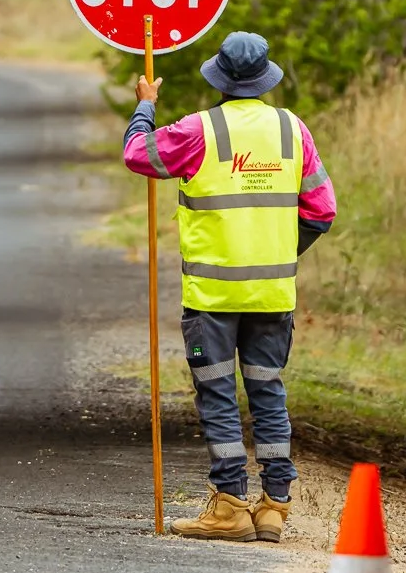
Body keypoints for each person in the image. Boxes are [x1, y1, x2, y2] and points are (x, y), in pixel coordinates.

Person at [122, 30, 336, 543]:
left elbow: (137, 154)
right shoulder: (292, 132)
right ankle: (274, 507)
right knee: (268, 393)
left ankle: (229, 505)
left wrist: (146, 106)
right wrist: (279, 252)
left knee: (217, 395)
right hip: (272, 295)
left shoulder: (199, 131)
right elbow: (322, 211)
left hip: (213, 298)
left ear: (218, 77)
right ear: (265, 79)